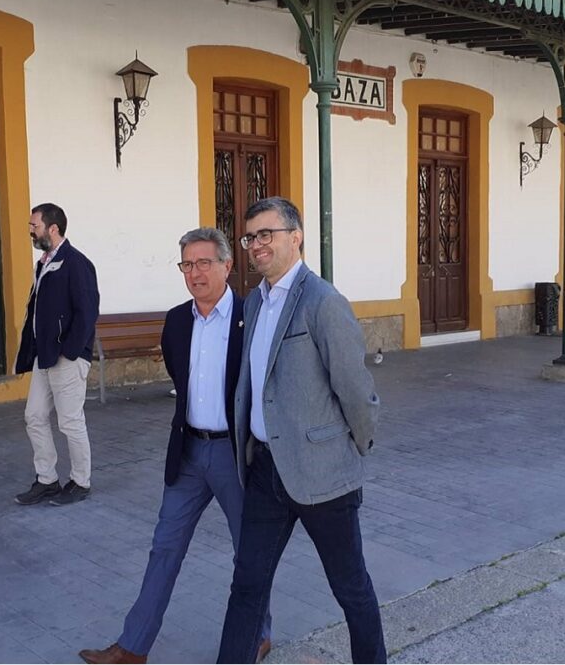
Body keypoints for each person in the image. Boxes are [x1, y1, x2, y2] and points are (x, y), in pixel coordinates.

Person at [79, 228, 271, 664]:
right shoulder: (177, 321)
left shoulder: (250, 319)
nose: (195, 272)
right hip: (187, 454)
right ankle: (132, 647)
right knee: (164, 547)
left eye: (205, 262)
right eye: (187, 264)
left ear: (227, 265)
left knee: (249, 551)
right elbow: (180, 380)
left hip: (234, 456)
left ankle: (259, 633)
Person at [217, 197, 386, 664]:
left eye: (266, 234)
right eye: (251, 237)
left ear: (296, 236)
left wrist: (356, 447)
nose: (256, 245)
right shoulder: (255, 301)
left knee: (350, 587)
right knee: (247, 584)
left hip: (322, 474)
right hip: (265, 472)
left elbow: (355, 389)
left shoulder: (323, 301)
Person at [14, 203, 100, 506]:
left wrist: (71, 352)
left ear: (53, 228)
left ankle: (81, 481)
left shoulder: (75, 263)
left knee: (70, 422)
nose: (30, 231)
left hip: (66, 358)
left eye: (34, 226)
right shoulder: (44, 263)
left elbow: (87, 312)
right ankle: (47, 480)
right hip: (44, 356)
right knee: (34, 416)